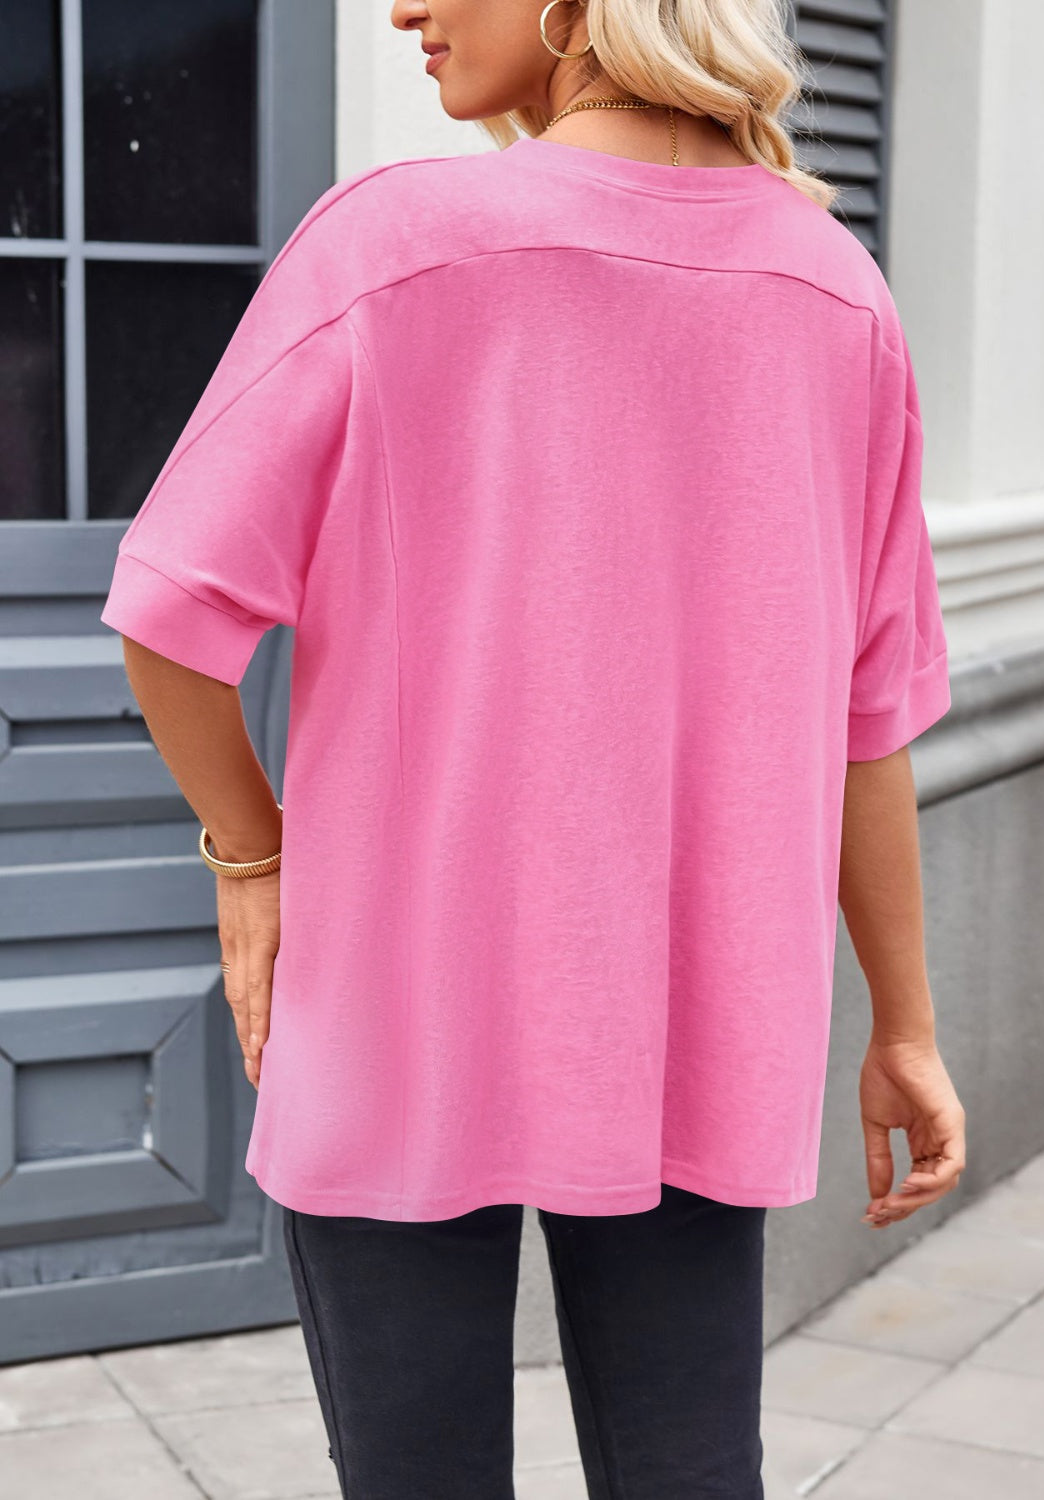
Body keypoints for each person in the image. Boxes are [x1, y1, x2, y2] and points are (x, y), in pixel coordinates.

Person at [99, 0, 967, 1493]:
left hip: (399, 1006)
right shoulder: (838, 292)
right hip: (698, 1022)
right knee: (690, 1470)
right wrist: (904, 1027)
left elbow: (170, 615)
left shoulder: (397, 242)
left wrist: (252, 859)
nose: (404, 10)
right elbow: (866, 717)